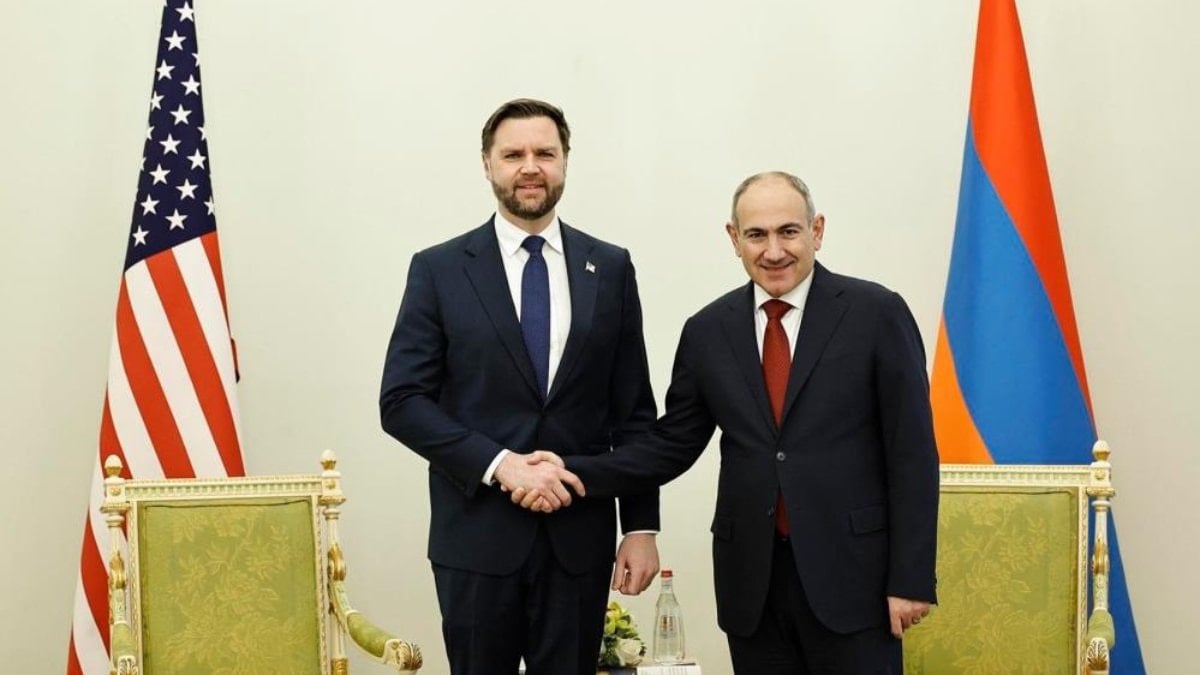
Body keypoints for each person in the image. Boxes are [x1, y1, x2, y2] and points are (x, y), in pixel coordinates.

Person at [514, 171, 939, 673]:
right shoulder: (708, 331)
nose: (774, 251)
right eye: (756, 235)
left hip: (855, 580)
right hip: (753, 586)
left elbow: (912, 453)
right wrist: (571, 471)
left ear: (817, 230)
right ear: (734, 239)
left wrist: (910, 579)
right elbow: (671, 445)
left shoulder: (876, 314)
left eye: (789, 231)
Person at [379, 98, 661, 675]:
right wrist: (501, 465)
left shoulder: (610, 267)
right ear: (488, 164)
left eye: (545, 153)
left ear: (565, 161)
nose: (530, 167)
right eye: (513, 155)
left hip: (578, 540)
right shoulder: (439, 269)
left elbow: (632, 410)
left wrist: (639, 526)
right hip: (476, 540)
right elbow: (402, 402)